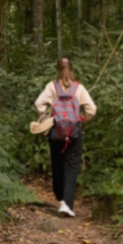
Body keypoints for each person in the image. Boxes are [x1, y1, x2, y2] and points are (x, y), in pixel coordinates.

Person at [33, 57, 96, 218]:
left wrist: (45, 115)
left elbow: (38, 103)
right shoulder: (79, 88)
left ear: (57, 70)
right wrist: (83, 120)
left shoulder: (52, 87)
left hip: (55, 133)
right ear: (72, 70)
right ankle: (67, 205)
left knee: (57, 165)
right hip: (74, 134)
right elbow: (92, 109)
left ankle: (60, 196)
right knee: (71, 168)